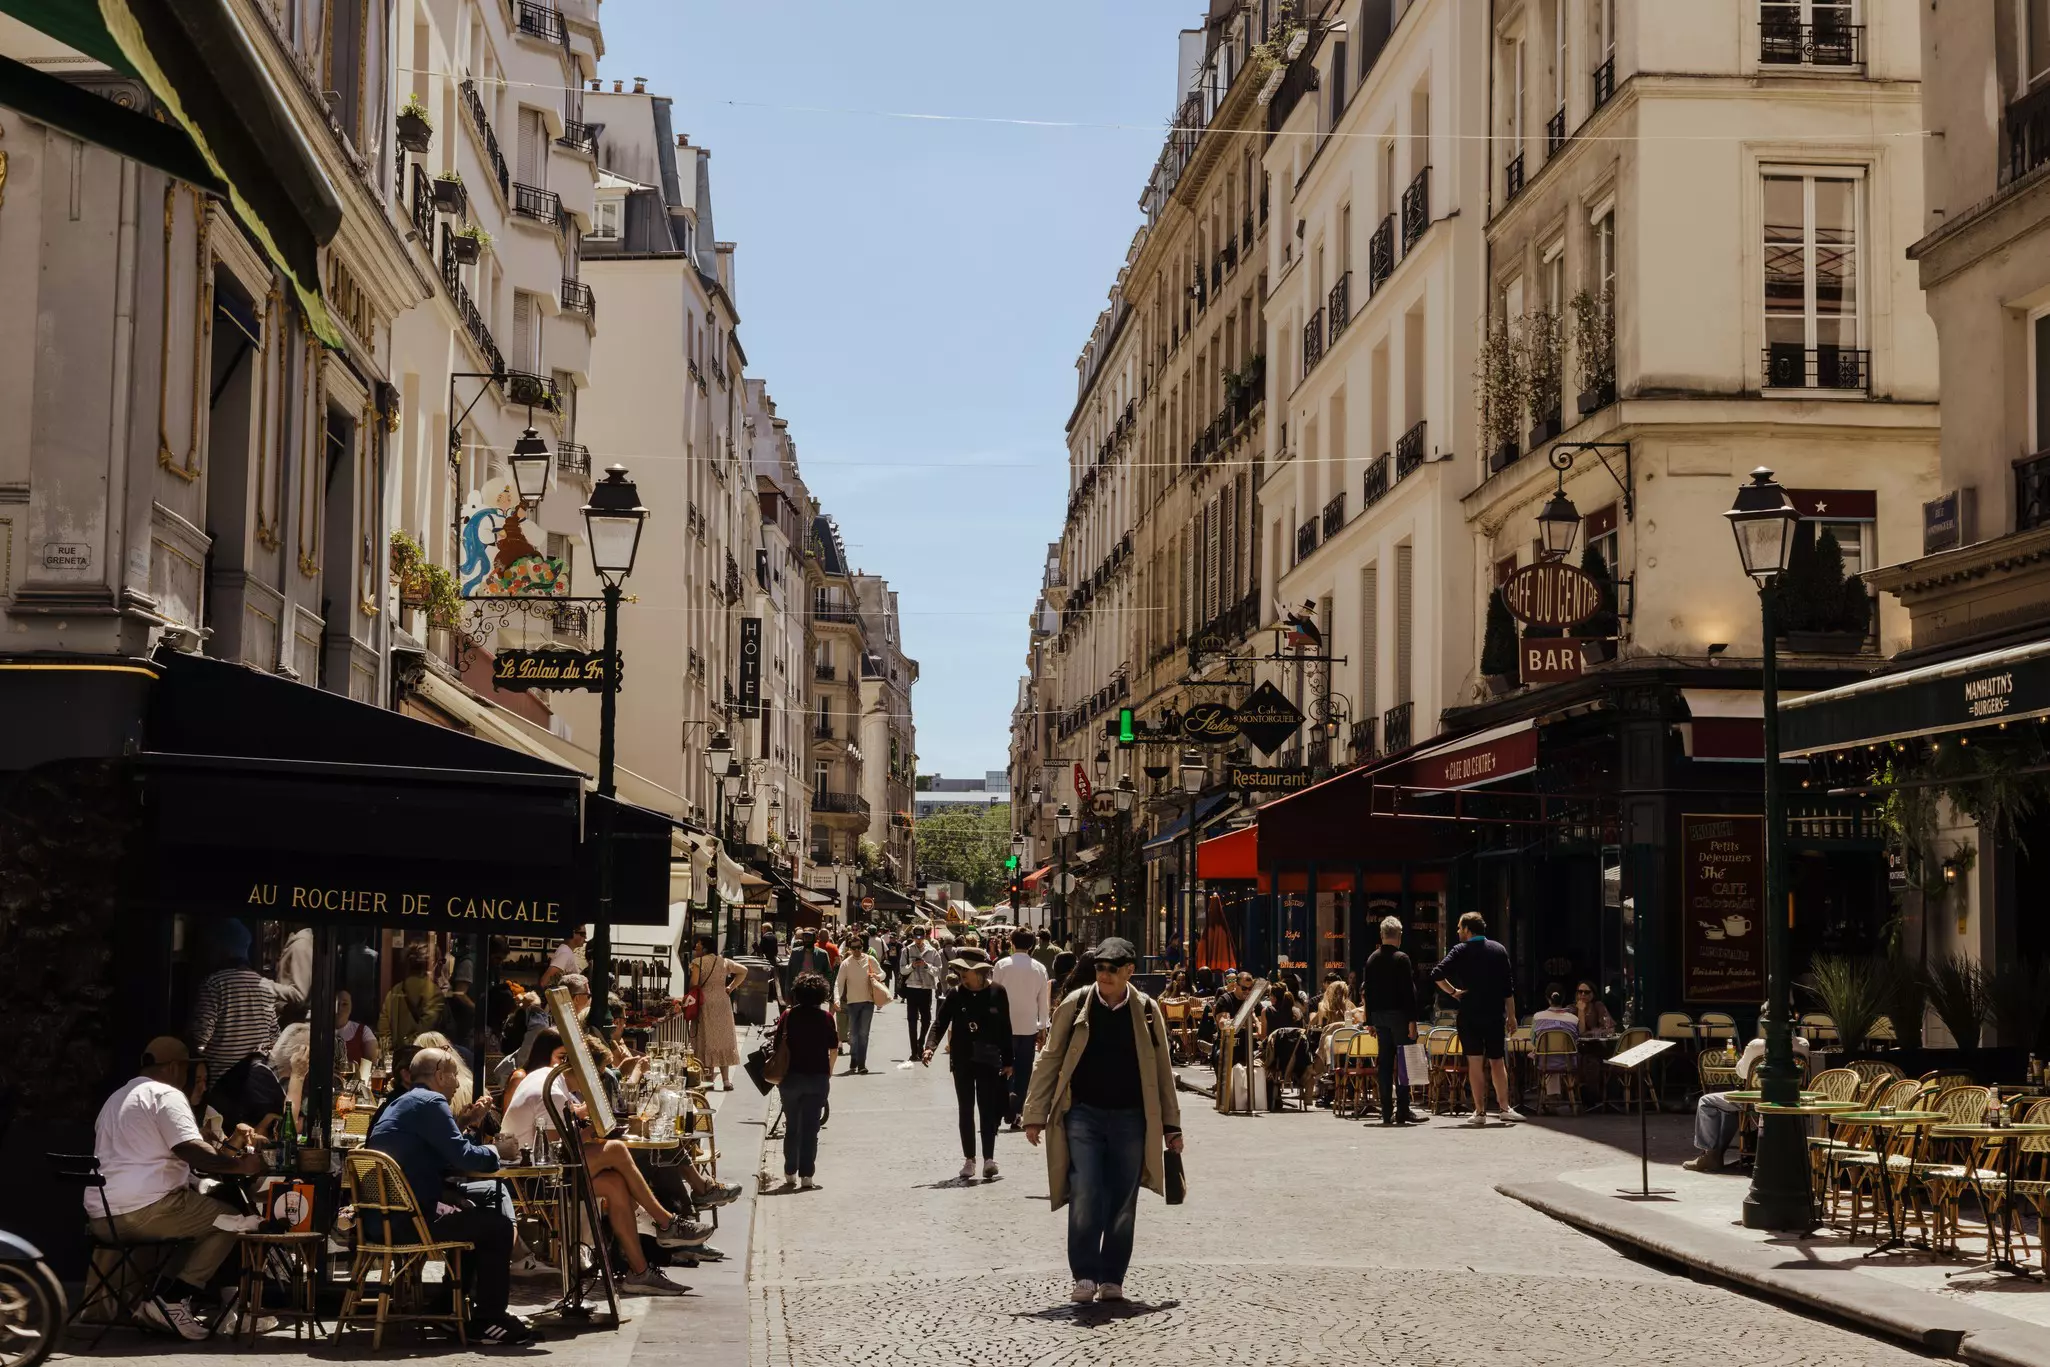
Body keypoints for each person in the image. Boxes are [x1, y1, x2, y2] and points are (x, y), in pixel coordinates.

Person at [1021, 938, 1182, 1305]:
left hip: (1132, 1117)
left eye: (1113, 968)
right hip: (1083, 1115)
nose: (1105, 975)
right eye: (1100, 968)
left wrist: (1172, 1127)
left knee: (1123, 1199)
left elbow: (1162, 1070)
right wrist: (1034, 1114)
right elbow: (1050, 1058)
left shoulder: (1146, 1010)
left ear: (1129, 971)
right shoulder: (1076, 1003)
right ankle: (1084, 1275)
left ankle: (1112, 1277)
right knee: (1086, 1191)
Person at [89, 1036, 269, 1340]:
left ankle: (159, 1299)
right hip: (145, 1211)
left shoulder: (117, 1097)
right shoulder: (165, 1094)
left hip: (102, 1217)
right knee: (232, 1221)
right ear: (174, 1067)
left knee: (199, 1221)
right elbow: (193, 1151)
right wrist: (242, 1166)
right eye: (186, 1069)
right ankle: (171, 1300)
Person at [364, 1046, 540, 1342]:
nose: (458, 1084)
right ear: (439, 1075)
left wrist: (462, 1123)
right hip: (409, 1221)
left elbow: (431, 1150)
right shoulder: (431, 1101)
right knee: (496, 1227)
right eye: (454, 1075)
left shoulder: (404, 1102)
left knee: (478, 1215)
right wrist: (498, 1150)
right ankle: (489, 1319)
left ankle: (447, 1307)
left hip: (383, 1219)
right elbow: (462, 1158)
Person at [923, 956, 1013, 1181]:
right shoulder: (955, 994)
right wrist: (930, 1047)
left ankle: (989, 1159)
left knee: (987, 1109)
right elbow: (940, 1022)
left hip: (989, 1059)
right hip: (962, 1058)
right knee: (966, 1108)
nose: (962, 973)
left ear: (980, 972)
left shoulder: (998, 992)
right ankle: (969, 1160)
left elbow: (1005, 1027)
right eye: (959, 969)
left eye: (967, 969)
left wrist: (1009, 1060)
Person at [1685, 1017, 1812, 1172]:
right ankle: (1714, 1156)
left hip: (1755, 1099)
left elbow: (1743, 1073)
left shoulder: (1756, 1045)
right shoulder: (1803, 1044)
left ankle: (1710, 1154)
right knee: (1726, 1107)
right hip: (1792, 1098)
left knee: (1706, 1102)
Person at [1430, 912, 1519, 1128]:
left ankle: (1480, 1111)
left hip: (1469, 1014)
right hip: (1495, 1013)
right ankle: (1504, 1108)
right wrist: (1512, 1015)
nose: (1458, 932)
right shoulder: (1499, 950)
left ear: (1469, 929)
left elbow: (1437, 973)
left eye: (1460, 928)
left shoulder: (1460, 950)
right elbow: (1508, 987)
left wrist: (1453, 992)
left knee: (1475, 1062)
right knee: (1497, 1061)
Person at [188, 918, 283, 1110]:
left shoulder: (214, 984)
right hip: (257, 1089)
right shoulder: (264, 985)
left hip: (222, 1090)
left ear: (222, 949)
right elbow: (275, 1038)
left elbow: (199, 1040)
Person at [773, 973, 839, 1191]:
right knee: (812, 1128)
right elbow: (833, 1048)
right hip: (817, 1078)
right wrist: (828, 1071)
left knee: (792, 1126)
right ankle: (807, 1176)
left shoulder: (788, 1016)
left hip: (791, 1078)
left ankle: (790, 1171)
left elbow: (776, 1046)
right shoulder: (826, 1018)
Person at [1359, 917, 1422, 1125]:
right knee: (1404, 1063)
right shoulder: (1401, 958)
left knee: (1384, 1063)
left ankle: (1386, 1110)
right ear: (1400, 935)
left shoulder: (1371, 959)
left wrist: (1369, 1020)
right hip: (1399, 1017)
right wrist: (1412, 1020)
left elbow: (1367, 992)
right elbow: (1407, 993)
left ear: (1382, 935)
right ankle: (1403, 1109)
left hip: (1379, 1018)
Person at [991, 930, 1052, 1129]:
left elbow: (994, 995)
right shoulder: (1039, 968)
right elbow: (1043, 1000)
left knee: (1004, 1067)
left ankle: (1006, 1103)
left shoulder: (1001, 965)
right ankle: (1017, 1112)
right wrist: (1043, 1025)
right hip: (1028, 1026)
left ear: (1011, 942)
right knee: (1025, 1070)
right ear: (1032, 945)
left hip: (1003, 1025)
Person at [687, 936, 747, 1090]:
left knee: (707, 1038)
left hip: (705, 1002)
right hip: (722, 1001)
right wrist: (730, 987)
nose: (696, 947)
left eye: (698, 945)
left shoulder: (697, 963)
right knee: (722, 1038)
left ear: (705, 947)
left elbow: (694, 984)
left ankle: (709, 1081)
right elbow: (743, 971)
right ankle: (726, 1081)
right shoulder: (724, 961)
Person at [832, 934, 888, 1074]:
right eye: (853, 948)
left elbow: (883, 974)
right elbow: (838, 983)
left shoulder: (870, 959)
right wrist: (837, 999)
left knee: (863, 1033)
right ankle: (854, 1057)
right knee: (853, 1034)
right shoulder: (846, 963)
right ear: (849, 948)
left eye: (859, 947)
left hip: (868, 1002)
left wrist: (877, 976)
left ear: (863, 947)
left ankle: (862, 1063)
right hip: (852, 1003)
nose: (856, 950)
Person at [376, 942, 445, 1053]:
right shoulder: (434, 992)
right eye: (441, 962)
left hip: (396, 1059)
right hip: (421, 1059)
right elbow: (426, 1034)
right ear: (432, 963)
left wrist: (391, 1054)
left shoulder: (395, 990)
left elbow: (383, 1030)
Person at [899, 927, 943, 1058]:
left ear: (925, 937)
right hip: (911, 988)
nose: (918, 940)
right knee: (912, 1020)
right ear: (913, 937)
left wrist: (926, 966)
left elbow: (938, 970)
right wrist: (912, 966)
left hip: (926, 988)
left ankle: (921, 1042)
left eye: (921, 937)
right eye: (916, 937)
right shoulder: (906, 950)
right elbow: (902, 970)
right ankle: (913, 1051)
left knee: (926, 1019)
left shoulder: (932, 951)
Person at [335, 991, 377, 1066]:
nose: (339, 1008)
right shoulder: (318, 1031)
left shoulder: (363, 1031)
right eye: (336, 1004)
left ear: (351, 1007)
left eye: (344, 1004)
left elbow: (371, 1066)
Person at [540, 925, 587, 990]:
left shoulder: (566, 951)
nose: (586, 937)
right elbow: (545, 981)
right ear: (572, 933)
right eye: (583, 934)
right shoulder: (565, 952)